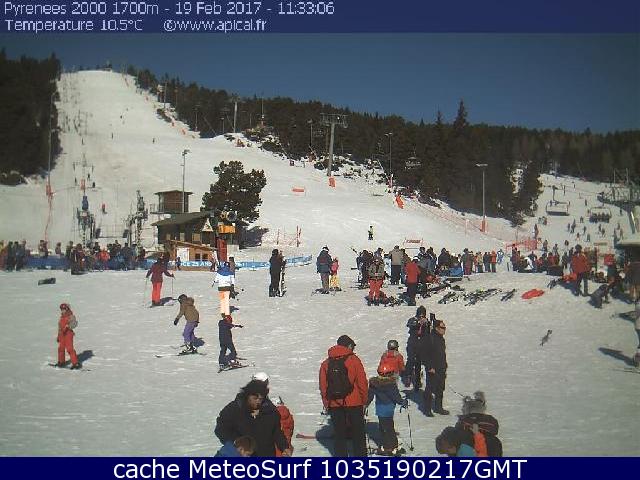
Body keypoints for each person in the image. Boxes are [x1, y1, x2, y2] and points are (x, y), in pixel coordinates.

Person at [319, 335, 368, 457]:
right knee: (358, 434)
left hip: (334, 403)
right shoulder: (354, 360)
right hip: (355, 402)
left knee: (339, 435)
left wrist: (327, 403)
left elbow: (323, 386)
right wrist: (364, 400)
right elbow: (362, 382)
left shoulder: (326, 363)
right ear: (349, 346)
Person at [214, 380, 291, 457]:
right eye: (255, 398)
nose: (258, 401)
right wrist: (236, 443)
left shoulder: (270, 411)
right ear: (247, 395)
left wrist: (284, 447)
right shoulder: (234, 409)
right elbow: (221, 429)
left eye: (261, 399)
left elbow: (277, 432)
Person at [366, 362, 408, 456]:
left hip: (380, 410)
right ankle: (389, 447)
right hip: (388, 410)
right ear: (389, 373)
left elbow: (370, 396)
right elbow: (396, 397)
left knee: (386, 428)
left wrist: (365, 404)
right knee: (388, 428)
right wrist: (403, 402)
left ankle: (392, 445)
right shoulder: (391, 385)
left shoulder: (374, 384)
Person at [424, 319, 449, 416]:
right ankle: (427, 409)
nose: (444, 329)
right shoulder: (430, 338)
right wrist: (430, 367)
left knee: (440, 388)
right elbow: (425, 354)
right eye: (442, 327)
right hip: (433, 369)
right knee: (430, 389)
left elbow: (441, 354)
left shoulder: (441, 339)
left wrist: (445, 365)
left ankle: (438, 407)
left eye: (444, 327)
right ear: (436, 328)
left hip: (441, 368)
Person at [403, 306, 429, 391]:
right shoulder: (413, 320)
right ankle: (408, 376)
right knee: (411, 360)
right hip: (412, 343)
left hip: (421, 345)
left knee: (419, 363)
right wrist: (418, 322)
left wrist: (427, 324)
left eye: (423, 315)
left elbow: (429, 331)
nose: (421, 316)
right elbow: (410, 324)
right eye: (420, 315)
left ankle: (417, 381)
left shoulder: (426, 321)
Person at [56, 303, 81, 369]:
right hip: (62, 335)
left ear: (67, 309)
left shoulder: (70, 316)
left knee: (70, 349)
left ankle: (75, 363)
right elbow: (60, 328)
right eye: (61, 309)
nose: (62, 310)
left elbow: (75, 323)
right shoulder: (61, 317)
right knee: (60, 348)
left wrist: (69, 326)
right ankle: (61, 362)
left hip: (68, 334)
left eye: (64, 309)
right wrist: (58, 336)